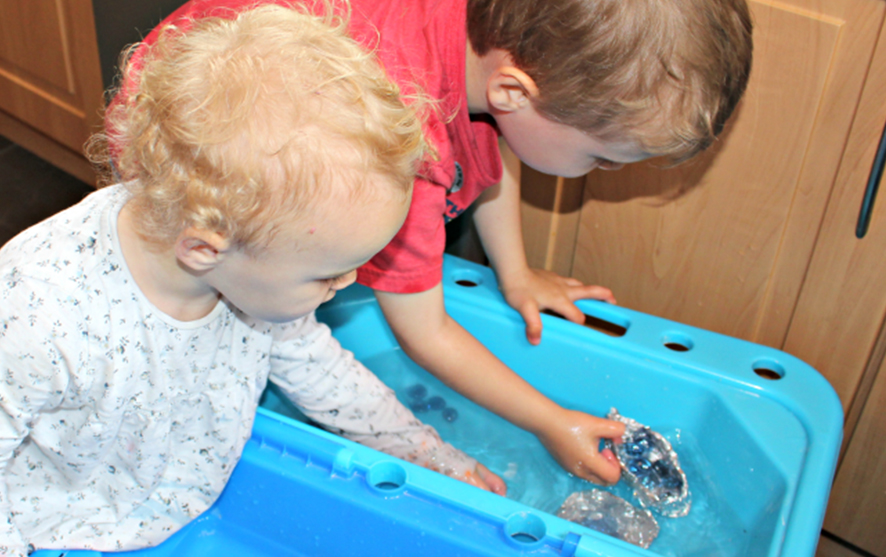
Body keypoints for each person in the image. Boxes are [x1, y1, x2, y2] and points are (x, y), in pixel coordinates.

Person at [118, 0, 753, 487]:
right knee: (219, 306)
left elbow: (496, 141)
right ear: (514, 91)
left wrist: (518, 273)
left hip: (257, 56)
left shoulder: (493, 46)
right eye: (604, 159)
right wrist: (550, 421)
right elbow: (426, 333)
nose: (605, 172)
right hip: (199, 119)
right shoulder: (406, 152)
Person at [0, 6, 506, 556]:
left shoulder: (247, 271)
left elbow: (315, 365)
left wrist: (427, 454)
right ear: (203, 250)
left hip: (183, 501)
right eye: (326, 273)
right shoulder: (40, 312)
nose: (351, 280)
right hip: (59, 531)